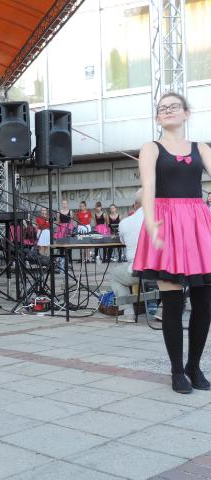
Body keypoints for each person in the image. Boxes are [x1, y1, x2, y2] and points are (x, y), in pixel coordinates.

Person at [134, 92, 211, 394]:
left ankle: (194, 366)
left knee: (204, 302)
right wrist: (151, 221)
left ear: (186, 113)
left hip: (197, 226)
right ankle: (177, 371)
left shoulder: (201, 148)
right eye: (162, 108)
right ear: (157, 117)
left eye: (173, 106)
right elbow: (148, 186)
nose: (167, 110)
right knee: (173, 302)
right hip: (165, 223)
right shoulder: (150, 148)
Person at [110, 190, 144, 320]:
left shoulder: (125, 222)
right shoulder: (162, 218)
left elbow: (123, 241)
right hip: (162, 273)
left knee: (114, 274)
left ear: (135, 205)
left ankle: (128, 313)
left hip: (137, 271)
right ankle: (162, 310)